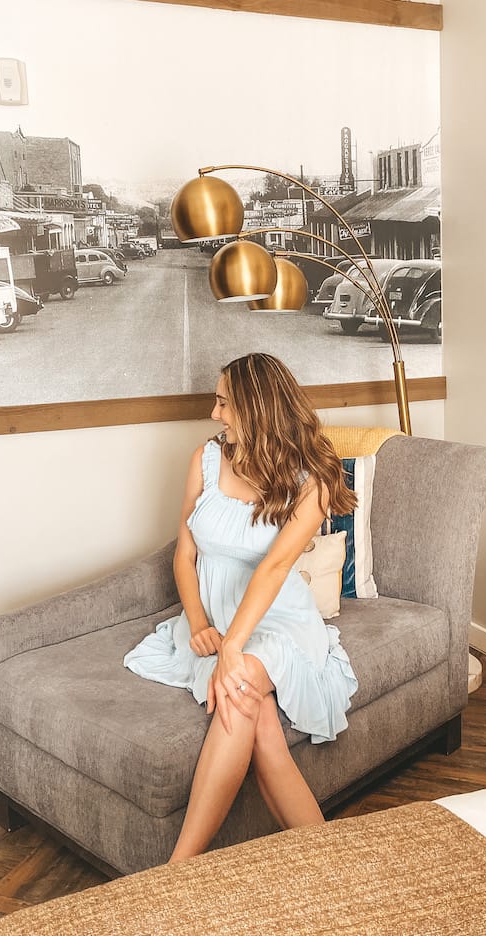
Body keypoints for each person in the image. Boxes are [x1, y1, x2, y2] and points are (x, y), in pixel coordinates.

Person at [124, 352, 359, 862]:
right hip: (221, 620)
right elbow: (185, 556)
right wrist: (200, 623)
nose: (215, 414)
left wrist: (232, 650)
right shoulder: (205, 459)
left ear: (255, 407)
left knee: (239, 683)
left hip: (280, 621)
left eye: (224, 402)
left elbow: (274, 569)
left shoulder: (312, 479)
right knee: (262, 724)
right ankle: (330, 865)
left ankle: (177, 869)